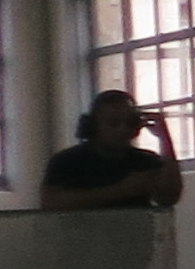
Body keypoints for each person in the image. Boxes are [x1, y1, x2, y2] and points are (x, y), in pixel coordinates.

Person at [37, 86, 186, 211]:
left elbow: (169, 198)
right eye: (114, 123)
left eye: (129, 123)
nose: (123, 129)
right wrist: (121, 190)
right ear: (94, 126)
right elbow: (51, 204)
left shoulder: (146, 160)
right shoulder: (67, 161)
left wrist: (165, 139)